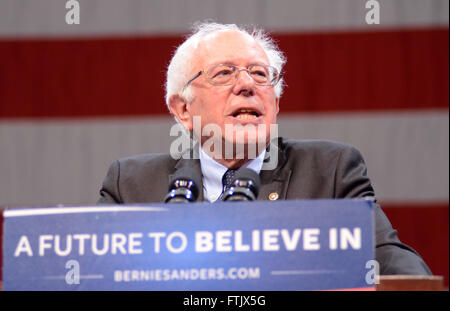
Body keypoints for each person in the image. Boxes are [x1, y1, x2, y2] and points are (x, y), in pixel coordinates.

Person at [97, 22, 431, 275]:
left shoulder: (329, 171)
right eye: (224, 73)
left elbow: (395, 265)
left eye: (260, 74)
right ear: (183, 109)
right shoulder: (131, 185)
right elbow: (89, 274)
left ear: (276, 104)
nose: (247, 85)